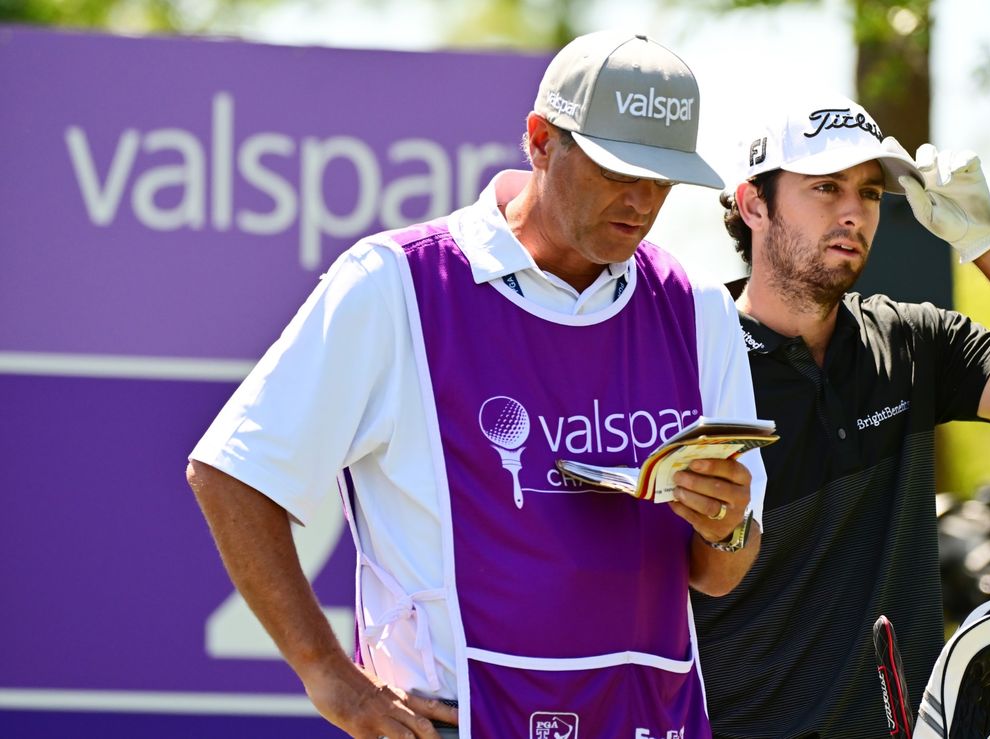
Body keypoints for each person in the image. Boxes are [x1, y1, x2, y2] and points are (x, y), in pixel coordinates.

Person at [187, 31, 766, 739]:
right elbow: (232, 472)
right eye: (619, 169)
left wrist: (728, 523)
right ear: (540, 139)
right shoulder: (396, 282)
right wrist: (332, 680)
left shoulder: (698, 307)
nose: (643, 200)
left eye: (663, 176)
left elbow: (718, 573)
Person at [691, 92, 990, 738]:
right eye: (826, 187)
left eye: (870, 193)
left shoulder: (911, 342)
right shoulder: (692, 354)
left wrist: (989, 241)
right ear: (753, 203)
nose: (854, 212)